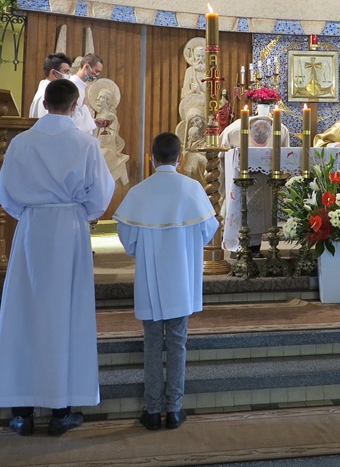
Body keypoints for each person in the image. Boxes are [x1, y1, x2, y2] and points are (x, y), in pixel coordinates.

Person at [0, 78, 115, 436]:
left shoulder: (21, 142)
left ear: (44, 104)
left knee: (25, 313)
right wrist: (78, 212)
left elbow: (5, 193)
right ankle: (61, 411)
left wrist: (31, 213)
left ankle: (21, 413)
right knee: (67, 314)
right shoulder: (85, 143)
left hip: (32, 228)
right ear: (75, 107)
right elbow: (100, 194)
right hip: (69, 230)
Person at [114, 132, 218, 432]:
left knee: (151, 344)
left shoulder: (139, 193)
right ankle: (173, 409)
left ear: (152, 159)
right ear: (180, 158)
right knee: (177, 342)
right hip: (182, 279)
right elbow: (208, 231)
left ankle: (152, 410)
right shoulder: (192, 189)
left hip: (149, 280)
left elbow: (128, 239)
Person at [220, 116, 290, 254]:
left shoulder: (281, 130)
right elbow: (220, 157)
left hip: (265, 179)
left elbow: (284, 155)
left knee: (260, 211)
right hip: (237, 179)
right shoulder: (232, 131)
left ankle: (254, 246)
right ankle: (236, 245)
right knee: (237, 210)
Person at [69, 53, 110, 135]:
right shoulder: (72, 87)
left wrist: (93, 122)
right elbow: (71, 118)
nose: (97, 75)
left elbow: (80, 116)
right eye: (96, 71)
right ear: (87, 67)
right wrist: (84, 107)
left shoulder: (81, 86)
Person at [28, 52, 72, 118]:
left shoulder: (54, 93)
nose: (69, 75)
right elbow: (47, 121)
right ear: (53, 73)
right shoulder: (45, 95)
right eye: (65, 71)